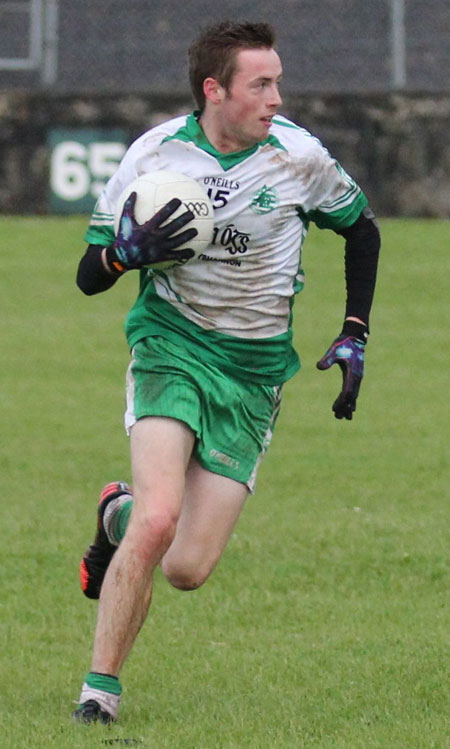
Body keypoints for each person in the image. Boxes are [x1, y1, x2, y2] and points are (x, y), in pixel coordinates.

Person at [73, 20, 380, 724]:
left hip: (253, 373)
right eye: (261, 84)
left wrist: (355, 330)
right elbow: (90, 275)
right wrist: (124, 254)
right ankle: (99, 694)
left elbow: (362, 229)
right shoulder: (155, 157)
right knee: (159, 519)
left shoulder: (298, 157)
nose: (277, 96)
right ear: (215, 90)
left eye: (277, 81)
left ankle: (112, 511)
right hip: (171, 344)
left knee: (185, 567)